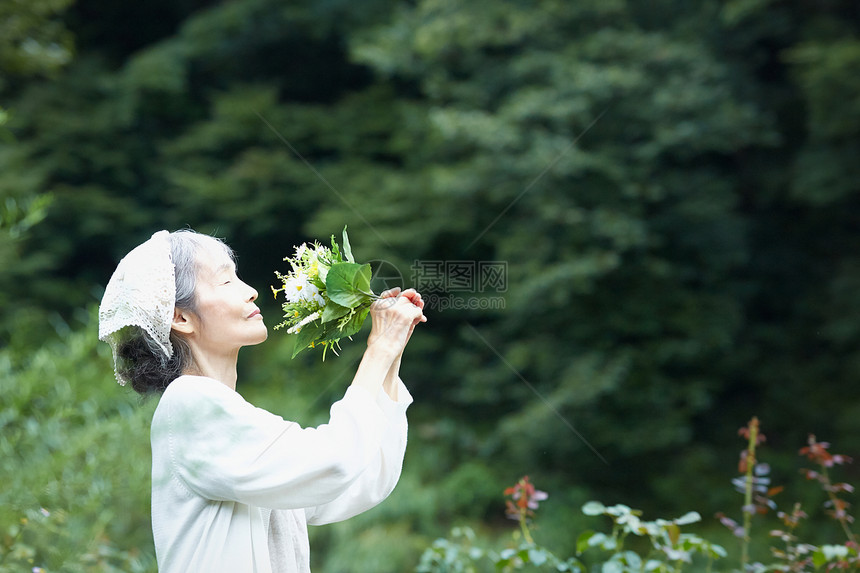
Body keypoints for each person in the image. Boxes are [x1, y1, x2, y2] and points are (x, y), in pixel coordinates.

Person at [97, 229, 426, 573]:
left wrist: (391, 353)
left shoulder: (233, 419)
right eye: (226, 282)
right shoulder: (189, 403)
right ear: (181, 318)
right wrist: (379, 348)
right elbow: (334, 461)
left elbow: (359, 481)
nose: (251, 291)